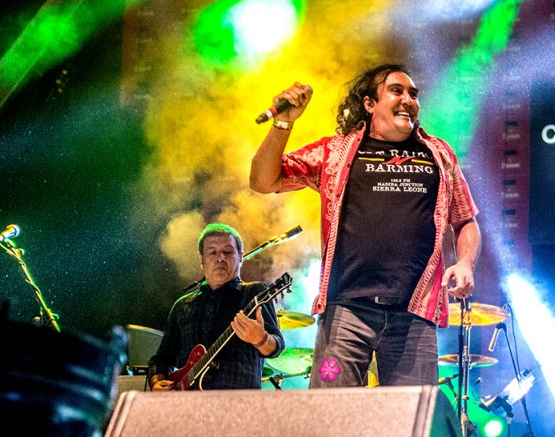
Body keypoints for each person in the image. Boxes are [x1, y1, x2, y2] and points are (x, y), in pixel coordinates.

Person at [248, 62, 480, 388]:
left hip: (414, 313)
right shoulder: (335, 152)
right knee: (329, 409)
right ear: (370, 104)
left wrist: (466, 262)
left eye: (413, 94)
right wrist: (283, 123)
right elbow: (263, 180)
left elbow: (465, 219)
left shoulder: (439, 155)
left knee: (412, 416)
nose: (408, 100)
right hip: (346, 310)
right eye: (396, 91)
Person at [146, 223, 285, 391]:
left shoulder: (254, 293)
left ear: (240, 257)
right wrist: (156, 382)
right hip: (188, 402)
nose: (220, 258)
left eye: (228, 252)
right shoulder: (182, 306)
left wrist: (261, 339)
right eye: (212, 252)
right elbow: (161, 360)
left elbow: (277, 346)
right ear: (202, 259)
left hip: (238, 401)